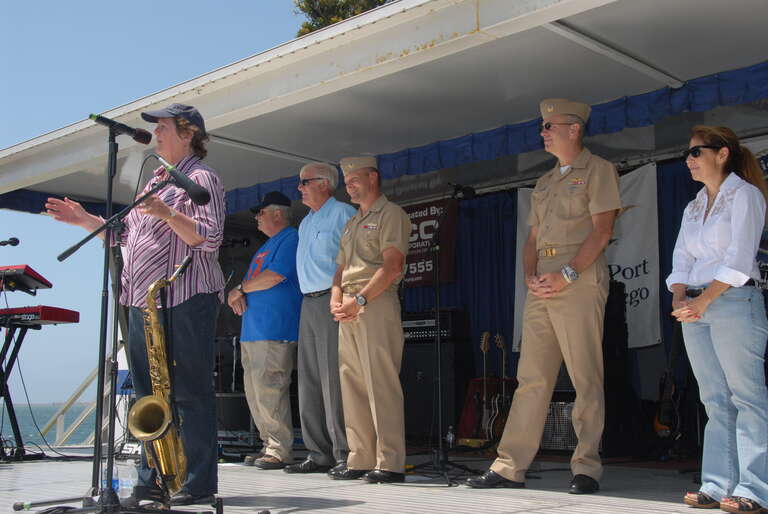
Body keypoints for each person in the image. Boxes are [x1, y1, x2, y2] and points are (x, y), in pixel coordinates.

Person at [46, 103, 225, 505]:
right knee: (148, 394)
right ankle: (153, 479)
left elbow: (208, 239)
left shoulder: (201, 178)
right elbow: (123, 238)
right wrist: (85, 220)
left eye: (163, 128)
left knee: (189, 392)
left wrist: (166, 213)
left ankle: (197, 483)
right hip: (142, 303)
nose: (156, 134)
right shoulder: (155, 180)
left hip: (185, 297)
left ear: (188, 132)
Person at [466, 98, 620, 494]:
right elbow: (531, 239)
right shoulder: (546, 181)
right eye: (543, 126)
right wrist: (530, 276)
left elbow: (601, 231)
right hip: (543, 287)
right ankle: (509, 465)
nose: (544, 132)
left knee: (585, 376)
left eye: (552, 126)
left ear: (575, 130)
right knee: (531, 377)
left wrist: (567, 274)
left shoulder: (599, 170)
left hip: (578, 279)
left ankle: (586, 466)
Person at [667, 126, 768, 513]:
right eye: (687, 155)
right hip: (695, 306)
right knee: (714, 399)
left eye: (696, 153)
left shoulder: (746, 195)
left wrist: (704, 300)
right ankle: (716, 484)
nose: (689, 160)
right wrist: (681, 297)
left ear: (722, 153)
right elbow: (681, 259)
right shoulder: (693, 206)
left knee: (748, 397)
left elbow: (740, 259)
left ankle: (754, 488)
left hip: (732, 301)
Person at [328, 156, 412, 484]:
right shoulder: (351, 222)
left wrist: (359, 299)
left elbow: (392, 265)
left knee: (381, 384)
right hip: (348, 306)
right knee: (352, 385)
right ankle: (359, 457)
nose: (349, 186)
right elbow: (340, 268)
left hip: (374, 303)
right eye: (346, 182)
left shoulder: (391, 214)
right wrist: (336, 298)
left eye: (355, 180)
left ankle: (390, 462)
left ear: (373, 178)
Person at [284, 163, 356, 475]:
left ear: (324, 184)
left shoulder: (342, 213)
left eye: (304, 182)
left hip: (332, 298)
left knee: (333, 378)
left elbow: (354, 259)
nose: (299, 188)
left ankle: (344, 453)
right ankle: (318, 453)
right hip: (308, 301)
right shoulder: (305, 222)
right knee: (309, 379)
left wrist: (345, 297)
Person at [228, 191, 302, 470]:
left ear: (278, 214)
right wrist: (238, 292)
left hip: (274, 328)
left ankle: (279, 449)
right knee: (256, 392)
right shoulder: (265, 246)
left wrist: (239, 289)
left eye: (260, 213)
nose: (256, 218)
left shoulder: (290, 238)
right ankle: (268, 444)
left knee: (270, 389)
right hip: (254, 331)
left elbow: (275, 276)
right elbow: (255, 281)